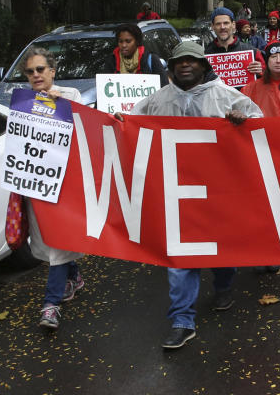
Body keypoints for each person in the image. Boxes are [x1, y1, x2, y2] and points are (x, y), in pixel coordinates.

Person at [129, 41, 263, 349]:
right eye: (178, 61)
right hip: (177, 191)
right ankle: (182, 320)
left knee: (220, 247)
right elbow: (131, 124)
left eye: (191, 60)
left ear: (203, 65)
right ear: (172, 68)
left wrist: (242, 122)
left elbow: (260, 124)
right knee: (180, 258)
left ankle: (225, 286)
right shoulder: (158, 99)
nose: (184, 65)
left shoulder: (226, 95)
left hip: (218, 191)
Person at [21, 48, 86, 330]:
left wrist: (62, 107)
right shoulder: (21, 101)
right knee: (49, 242)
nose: (35, 75)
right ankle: (75, 276)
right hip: (36, 183)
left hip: (65, 186)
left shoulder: (70, 96)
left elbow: (86, 128)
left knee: (58, 245)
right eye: (30, 71)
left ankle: (51, 305)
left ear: (52, 71)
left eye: (40, 69)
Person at [102, 23, 169, 86]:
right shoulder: (111, 60)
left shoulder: (151, 59)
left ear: (137, 41)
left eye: (128, 41)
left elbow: (165, 87)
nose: (124, 45)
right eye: (120, 41)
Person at [205, 7, 265, 75]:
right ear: (212, 26)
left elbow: (267, 79)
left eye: (226, 23)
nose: (222, 27)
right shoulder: (205, 55)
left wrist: (261, 71)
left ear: (233, 25)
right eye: (218, 24)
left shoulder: (252, 52)